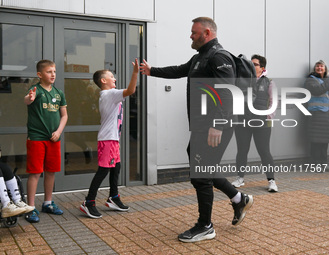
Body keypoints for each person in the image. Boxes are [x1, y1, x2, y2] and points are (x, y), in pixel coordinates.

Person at [140, 17, 253, 243]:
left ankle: (205, 226)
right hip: (203, 126)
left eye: (194, 32)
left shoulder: (219, 56)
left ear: (207, 33)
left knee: (200, 175)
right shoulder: (200, 57)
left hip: (215, 127)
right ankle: (238, 198)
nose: (190, 36)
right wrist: (151, 70)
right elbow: (179, 70)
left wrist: (217, 124)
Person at [80, 59, 139, 219]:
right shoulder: (109, 94)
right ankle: (89, 202)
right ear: (103, 81)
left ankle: (113, 197)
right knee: (104, 170)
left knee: (116, 167)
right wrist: (135, 73)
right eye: (111, 77)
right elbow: (131, 90)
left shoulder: (110, 95)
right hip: (107, 139)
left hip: (112, 139)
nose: (114, 79)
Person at [24, 59, 68, 223]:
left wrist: (58, 132)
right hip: (36, 138)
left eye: (54, 71)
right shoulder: (34, 90)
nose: (53, 74)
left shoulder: (59, 93)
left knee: (51, 171)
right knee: (35, 173)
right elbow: (27, 100)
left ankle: (48, 203)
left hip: (53, 139)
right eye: (49, 72)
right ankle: (30, 207)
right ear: (39, 74)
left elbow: (64, 115)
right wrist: (30, 97)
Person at [232, 54, 278, 192]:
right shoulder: (242, 80)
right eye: (250, 64)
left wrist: (268, 116)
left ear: (262, 68)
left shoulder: (269, 82)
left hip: (262, 123)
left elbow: (274, 101)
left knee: (264, 151)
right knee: (242, 151)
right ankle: (240, 178)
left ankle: (271, 181)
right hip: (243, 122)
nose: (251, 66)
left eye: (255, 64)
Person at [304, 60, 329, 166]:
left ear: (325, 68)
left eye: (322, 66)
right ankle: (315, 164)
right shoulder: (311, 80)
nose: (319, 68)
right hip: (317, 115)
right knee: (316, 142)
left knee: (325, 142)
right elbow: (318, 90)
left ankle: (323, 163)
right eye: (317, 66)